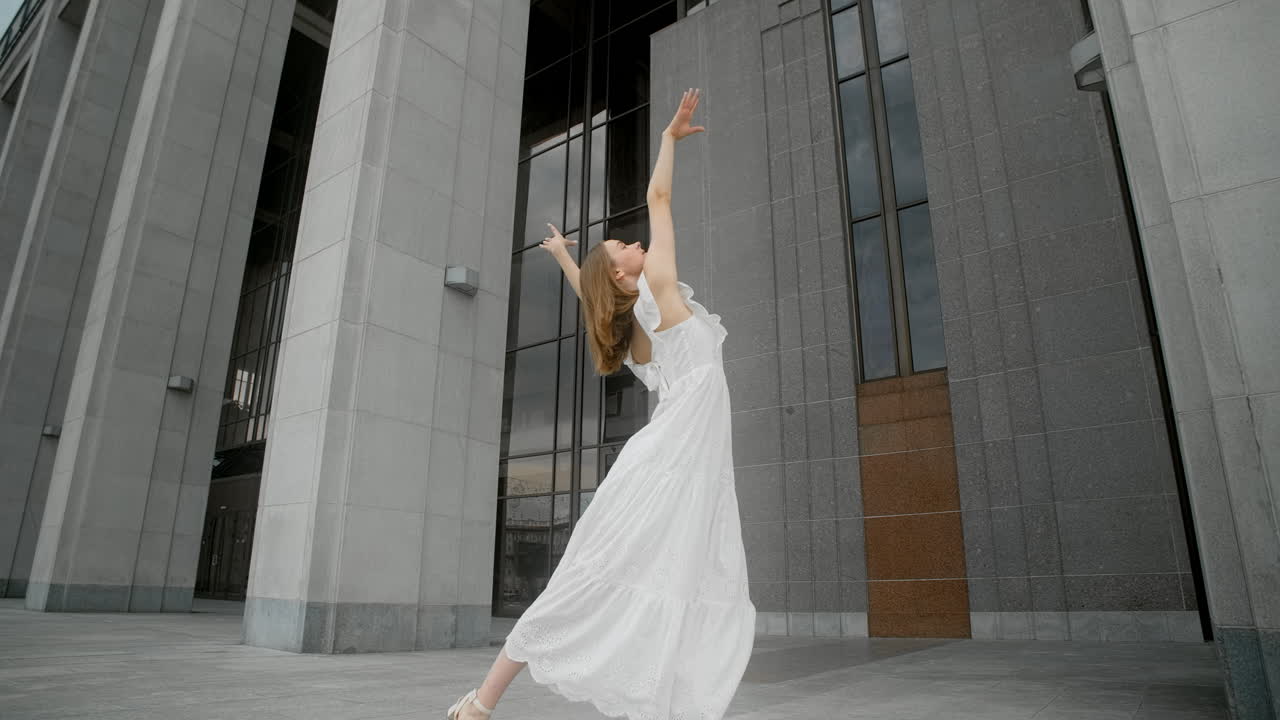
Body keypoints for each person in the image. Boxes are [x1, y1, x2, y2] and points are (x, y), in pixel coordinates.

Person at [446, 89, 755, 720]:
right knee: (600, 578)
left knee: (649, 578)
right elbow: (659, 200)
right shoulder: (661, 297)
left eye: (622, 241)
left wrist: (566, 257)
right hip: (671, 466)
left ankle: (485, 703)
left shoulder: (639, 328)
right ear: (624, 275)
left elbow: (595, 306)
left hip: (676, 467)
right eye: (622, 248)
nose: (633, 244)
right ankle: (481, 703)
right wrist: (668, 140)